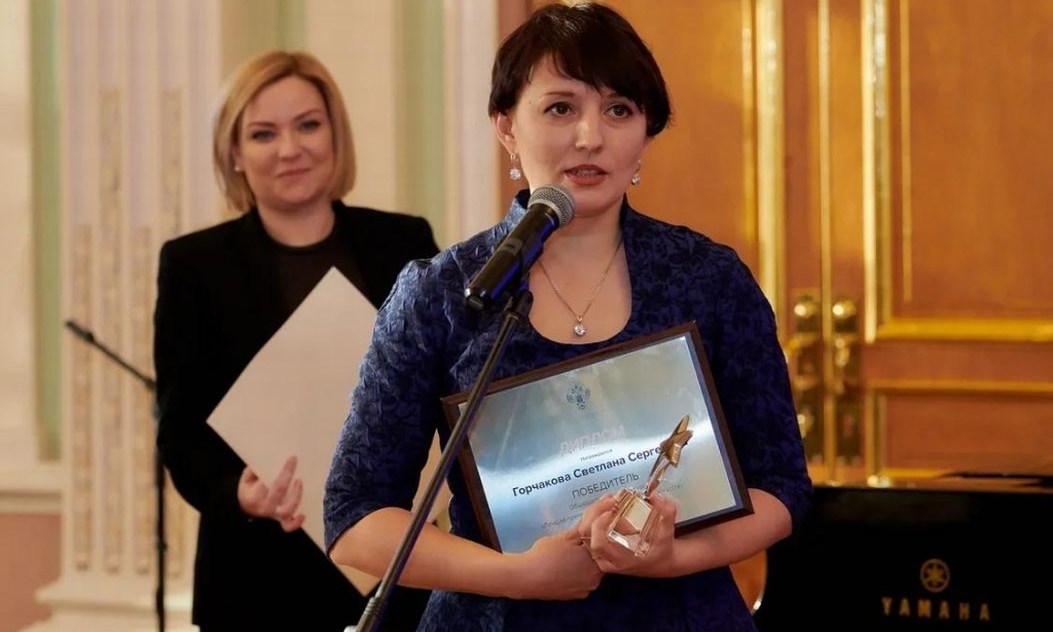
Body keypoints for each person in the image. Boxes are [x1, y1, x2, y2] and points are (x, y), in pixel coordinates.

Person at [323, 3, 812, 631]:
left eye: (619, 110)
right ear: (506, 127)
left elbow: (782, 485)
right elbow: (355, 519)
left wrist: (671, 557)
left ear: (646, 131)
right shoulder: (442, 294)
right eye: (560, 108)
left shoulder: (707, 279)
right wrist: (519, 576)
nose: (590, 137)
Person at [154, 49, 439, 632]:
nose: (290, 149)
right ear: (234, 153)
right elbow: (180, 431)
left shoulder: (403, 242)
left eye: (308, 125)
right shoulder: (194, 266)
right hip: (259, 576)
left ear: (335, 134)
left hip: (397, 569)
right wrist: (238, 492)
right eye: (263, 134)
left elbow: (447, 387)